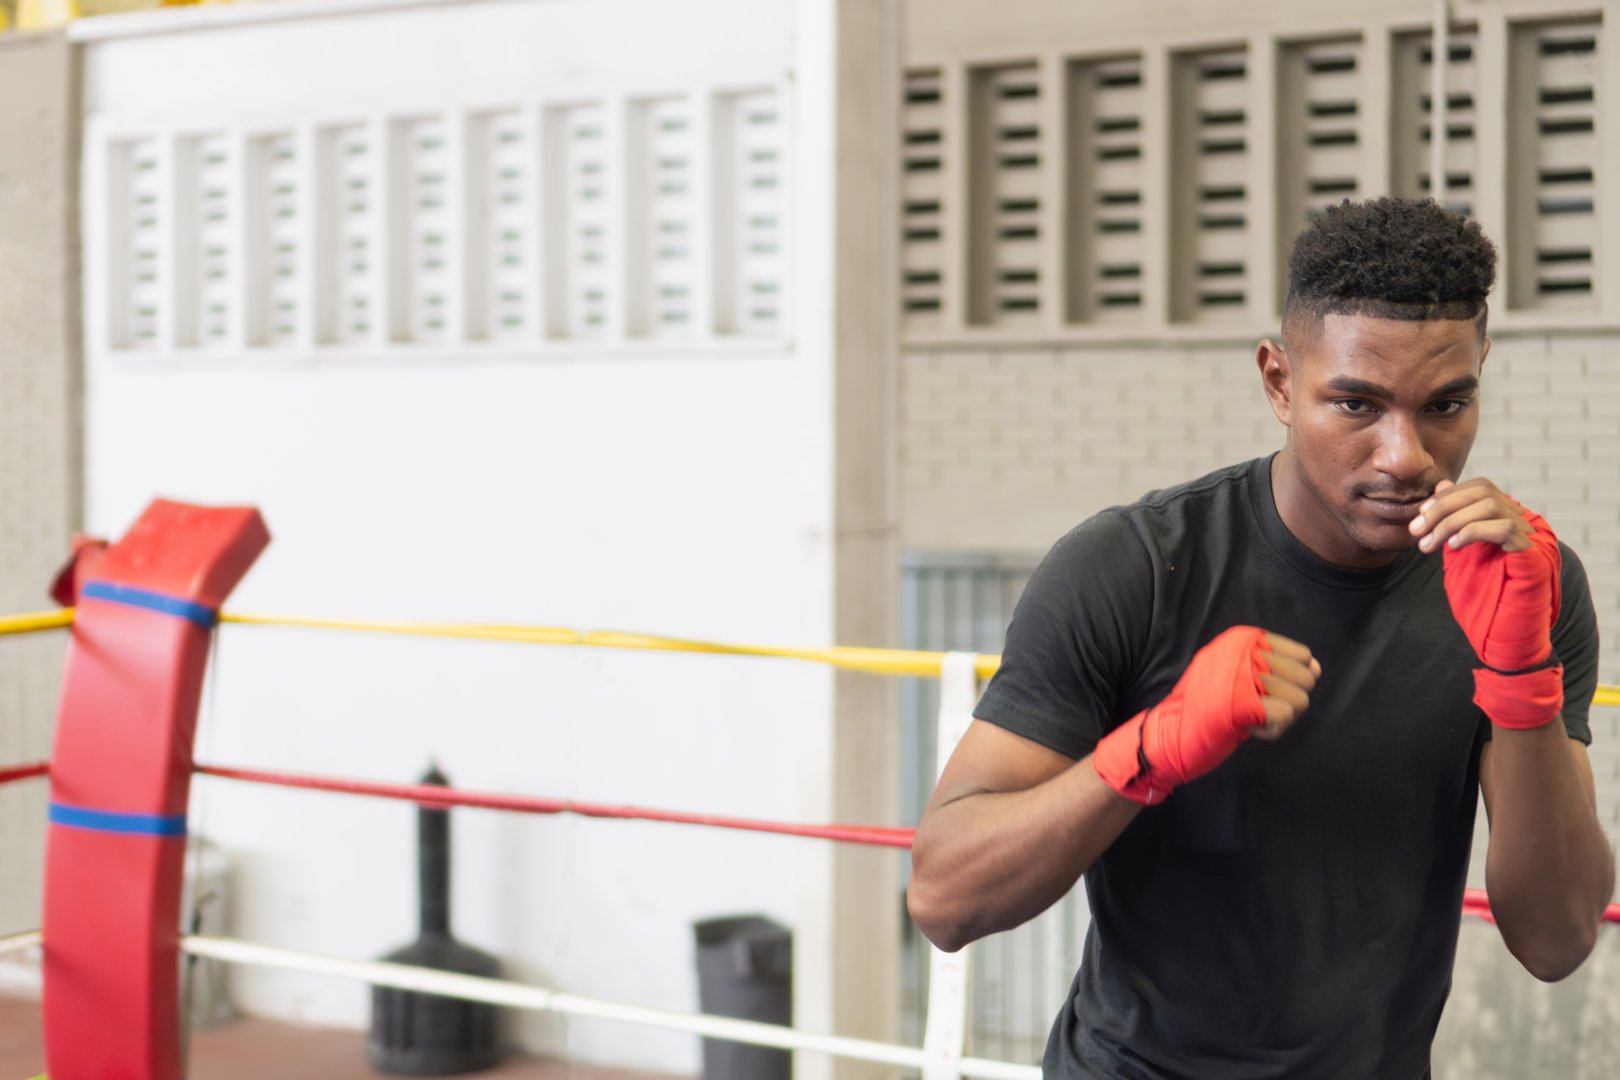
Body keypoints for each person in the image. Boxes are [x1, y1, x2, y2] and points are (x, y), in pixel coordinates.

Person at [906, 197, 1614, 1079]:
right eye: (1355, 403)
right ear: (1279, 382)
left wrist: (1520, 676)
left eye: (1446, 404)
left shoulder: (1522, 581)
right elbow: (944, 899)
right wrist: (1148, 751)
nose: (1405, 455)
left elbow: (1555, 939)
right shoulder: (1133, 568)